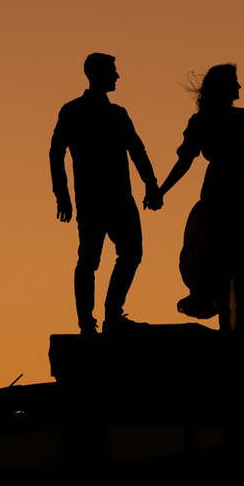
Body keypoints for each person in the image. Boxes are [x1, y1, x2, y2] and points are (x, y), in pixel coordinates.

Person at [157, 63, 244, 332]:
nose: (239, 87)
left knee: (241, 267)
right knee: (231, 267)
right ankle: (233, 331)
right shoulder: (207, 121)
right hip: (225, 195)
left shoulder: (239, 118)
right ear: (223, 87)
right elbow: (185, 162)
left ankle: (239, 329)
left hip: (240, 193)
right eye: (235, 82)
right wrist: (162, 190)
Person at [50, 53, 163, 334]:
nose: (117, 76)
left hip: (118, 197)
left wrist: (151, 184)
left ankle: (111, 316)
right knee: (90, 260)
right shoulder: (73, 110)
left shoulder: (117, 114)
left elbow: (137, 150)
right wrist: (61, 195)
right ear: (96, 74)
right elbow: (56, 152)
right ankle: (88, 322)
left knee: (130, 253)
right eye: (112, 71)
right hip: (93, 199)